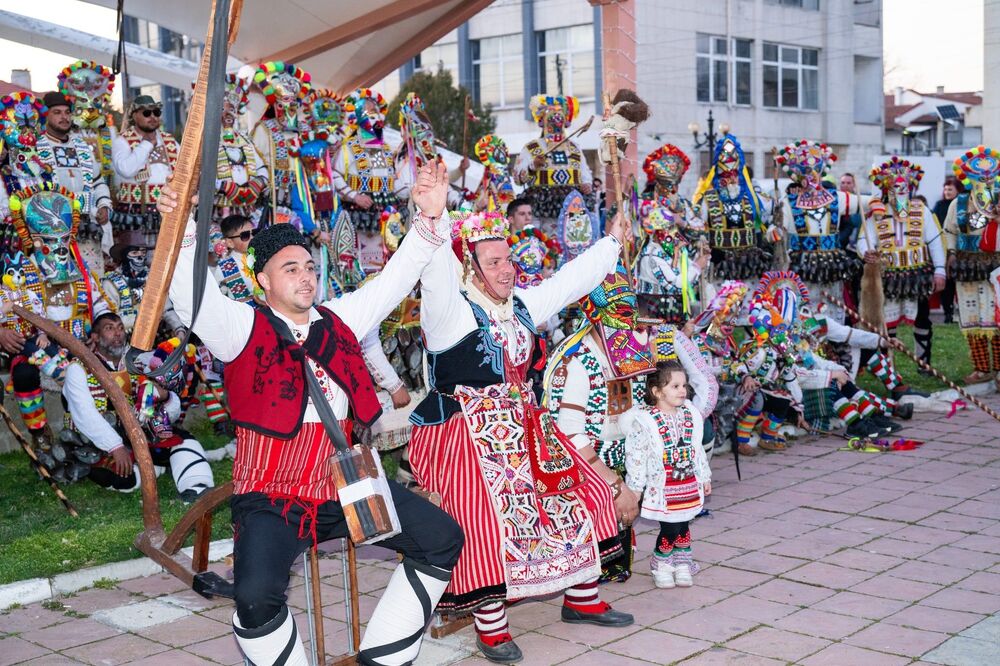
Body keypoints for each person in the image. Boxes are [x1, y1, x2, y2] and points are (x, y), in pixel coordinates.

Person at [160, 159, 463, 666]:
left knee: (442, 539)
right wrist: (182, 227)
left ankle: (383, 657)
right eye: (290, 269)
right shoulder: (241, 328)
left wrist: (431, 218)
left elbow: (395, 279)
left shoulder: (340, 317)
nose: (305, 277)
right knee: (255, 599)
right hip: (272, 494)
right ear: (263, 281)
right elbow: (195, 298)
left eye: (308, 266)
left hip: (348, 485)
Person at [408, 207, 634, 665]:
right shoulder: (447, 310)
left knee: (583, 492)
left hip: (525, 424)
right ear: (468, 266)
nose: (506, 269)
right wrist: (432, 215)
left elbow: (571, 280)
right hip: (464, 431)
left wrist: (611, 242)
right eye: (492, 262)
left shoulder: (523, 305)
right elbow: (433, 275)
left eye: (507, 259)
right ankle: (491, 628)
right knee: (484, 519)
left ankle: (582, 599)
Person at [61, 312, 215, 499]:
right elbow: (84, 414)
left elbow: (170, 411)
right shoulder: (78, 369)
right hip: (98, 444)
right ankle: (155, 466)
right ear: (95, 337)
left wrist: (165, 396)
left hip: (140, 434)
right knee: (123, 479)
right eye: (109, 328)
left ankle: (196, 487)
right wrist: (115, 446)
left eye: (119, 327)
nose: (118, 333)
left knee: (181, 439)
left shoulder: (139, 360)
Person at [621, 361, 710, 589]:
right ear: (657, 391)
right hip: (664, 488)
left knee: (684, 525)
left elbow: (696, 449)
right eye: (675, 386)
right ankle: (661, 562)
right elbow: (636, 456)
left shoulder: (689, 415)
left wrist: (704, 476)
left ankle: (682, 563)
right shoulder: (645, 421)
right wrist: (635, 488)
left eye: (684, 385)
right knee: (670, 527)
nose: (683, 391)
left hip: (687, 483)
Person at [858, 157, 945, 368]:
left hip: (918, 274)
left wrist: (940, 270)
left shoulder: (922, 211)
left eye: (905, 186)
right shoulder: (876, 213)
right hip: (888, 275)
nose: (901, 190)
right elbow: (863, 239)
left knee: (923, 319)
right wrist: (866, 253)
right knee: (887, 320)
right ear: (887, 188)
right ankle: (889, 364)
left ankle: (924, 363)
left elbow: (934, 241)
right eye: (896, 186)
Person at [774, 140, 866, 324]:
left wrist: (879, 201)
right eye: (807, 174)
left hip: (831, 262)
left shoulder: (835, 198)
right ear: (798, 176)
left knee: (832, 307)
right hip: (802, 263)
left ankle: (834, 345)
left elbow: (863, 203)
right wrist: (774, 232)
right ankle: (807, 346)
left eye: (815, 172)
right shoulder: (789, 201)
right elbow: (778, 225)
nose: (812, 178)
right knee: (806, 307)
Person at [35, 91, 113, 271]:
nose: (64, 117)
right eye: (57, 112)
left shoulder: (81, 146)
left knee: (94, 282)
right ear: (45, 116)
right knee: (60, 285)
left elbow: (98, 181)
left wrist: (103, 205)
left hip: (87, 229)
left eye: (67, 112)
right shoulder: (36, 148)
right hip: (52, 231)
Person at [944, 147, 1000, 384]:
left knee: (996, 319)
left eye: (988, 173)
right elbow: (949, 231)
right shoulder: (959, 202)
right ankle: (981, 368)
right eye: (978, 173)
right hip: (967, 266)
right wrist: (951, 255)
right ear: (968, 175)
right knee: (971, 319)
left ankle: (998, 370)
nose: (984, 177)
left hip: (996, 266)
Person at [637, 144, 708, 323]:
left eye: (675, 184)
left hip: (681, 256)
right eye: (667, 184)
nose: (672, 189)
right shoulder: (644, 203)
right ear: (657, 182)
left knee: (680, 308)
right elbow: (639, 228)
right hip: (654, 257)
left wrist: (680, 221)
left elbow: (700, 228)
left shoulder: (683, 205)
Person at [513, 95, 594, 237]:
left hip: (571, 206)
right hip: (540, 206)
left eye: (559, 116)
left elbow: (585, 174)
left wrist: (586, 185)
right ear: (542, 121)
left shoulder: (575, 148)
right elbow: (518, 178)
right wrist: (533, 166)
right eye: (551, 117)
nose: (556, 121)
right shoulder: (532, 148)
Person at [111, 95, 178, 246]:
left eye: (156, 112)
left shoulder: (169, 140)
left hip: (167, 210)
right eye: (147, 113)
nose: (153, 117)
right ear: (134, 115)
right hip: (136, 213)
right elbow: (126, 170)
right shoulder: (122, 141)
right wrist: (146, 145)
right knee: (136, 261)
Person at [935, 177, 963, 323]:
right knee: (948, 281)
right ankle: (948, 312)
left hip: (963, 248)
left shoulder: (963, 205)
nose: (947, 192)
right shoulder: (939, 205)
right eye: (945, 189)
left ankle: (962, 310)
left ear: (958, 190)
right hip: (944, 247)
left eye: (950, 189)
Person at [472, 134, 515, 213]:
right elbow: (475, 207)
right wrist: (478, 206)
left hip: (501, 216)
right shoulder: (485, 180)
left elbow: (508, 200)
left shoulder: (500, 175)